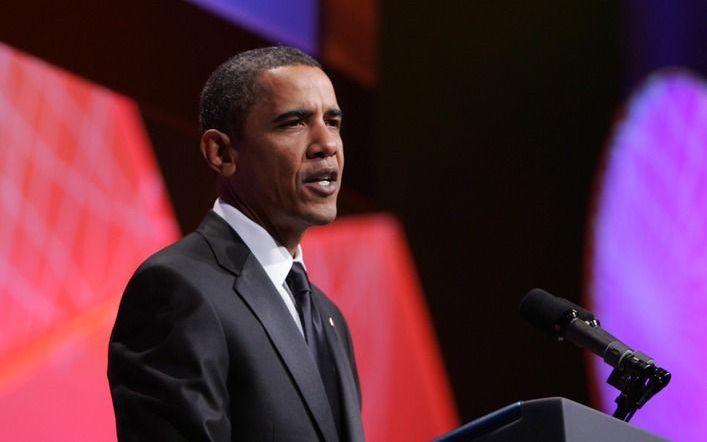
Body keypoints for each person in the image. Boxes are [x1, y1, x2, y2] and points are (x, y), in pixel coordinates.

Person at [108, 46, 365, 442]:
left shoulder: (329, 318)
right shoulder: (177, 290)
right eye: (294, 123)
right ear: (222, 153)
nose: (325, 143)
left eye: (332, 122)